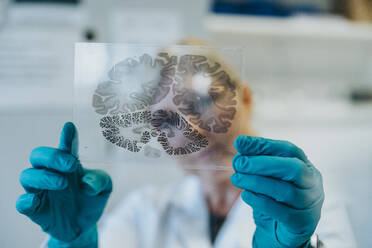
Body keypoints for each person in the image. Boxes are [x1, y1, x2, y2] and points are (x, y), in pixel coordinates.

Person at [16, 40, 356, 248]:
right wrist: (72, 243)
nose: (192, 129)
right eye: (166, 120)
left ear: (247, 100)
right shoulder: (145, 211)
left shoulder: (307, 206)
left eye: (203, 101)